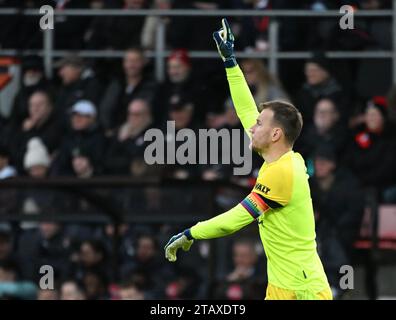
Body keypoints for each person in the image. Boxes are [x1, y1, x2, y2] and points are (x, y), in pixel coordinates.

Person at [164, 19, 332, 300]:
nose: (251, 127)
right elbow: (245, 109)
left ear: (276, 133)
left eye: (259, 124)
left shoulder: (281, 172)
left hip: (304, 290)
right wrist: (230, 62)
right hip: (282, 286)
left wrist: (192, 232)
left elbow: (237, 218)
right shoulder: (283, 161)